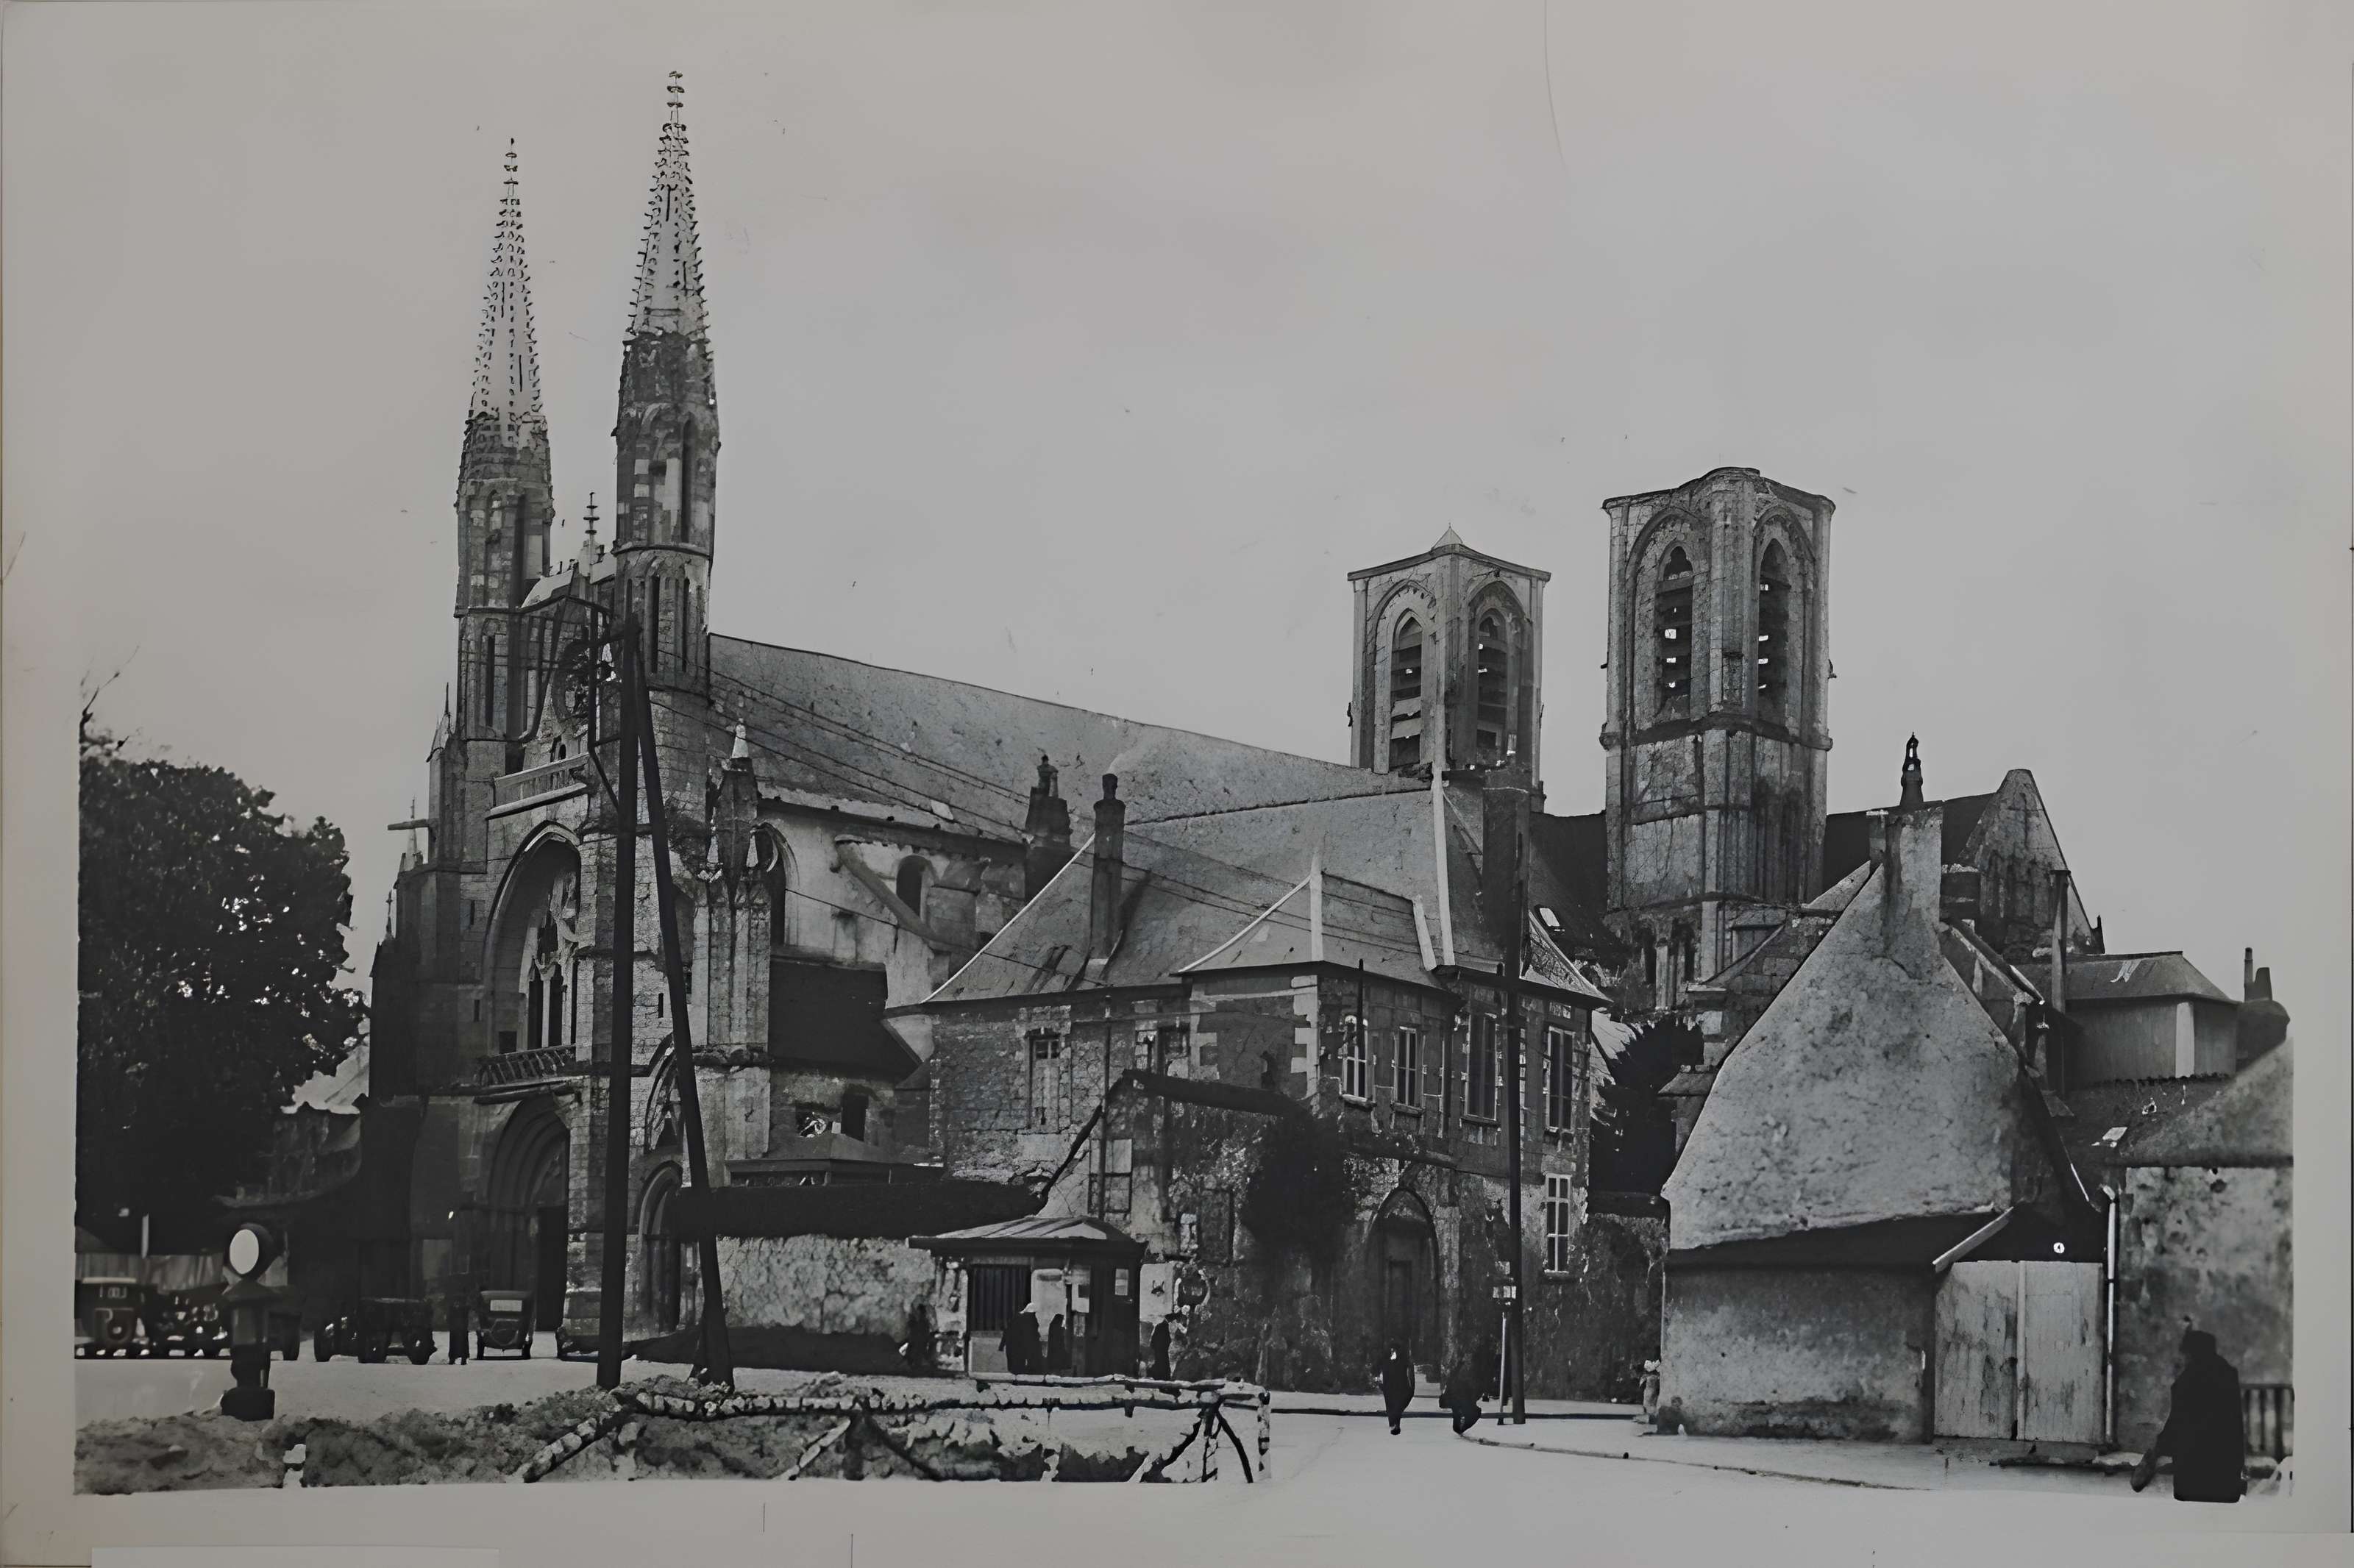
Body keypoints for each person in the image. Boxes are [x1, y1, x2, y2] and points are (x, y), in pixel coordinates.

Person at [2133, 1329, 2247, 1503]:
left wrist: (2157, 1450)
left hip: (2193, 1477)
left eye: (2185, 1352)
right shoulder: (2228, 1374)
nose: (2183, 1357)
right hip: (2226, 1477)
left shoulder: (2188, 1380)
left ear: (2192, 1352)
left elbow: (2178, 1422)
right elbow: (2235, 1426)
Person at [1443, 1350, 1485, 1434]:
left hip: (1463, 1394)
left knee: (1469, 1411)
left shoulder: (1465, 1371)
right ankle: (1461, 1425)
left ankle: (1461, 1425)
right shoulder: (1459, 1372)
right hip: (1461, 1394)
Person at [1379, 1339, 1415, 1435]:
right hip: (1390, 1387)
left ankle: (1395, 1424)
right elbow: (1382, 1371)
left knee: (1397, 1406)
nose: (1392, 1352)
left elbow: (1408, 1372)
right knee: (1391, 1406)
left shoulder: (1403, 1361)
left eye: (1394, 1351)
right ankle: (1393, 1423)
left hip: (1400, 1387)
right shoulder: (1386, 1360)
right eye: (1391, 1351)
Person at [444, 1279, 471, 1366]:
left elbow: (450, 1312)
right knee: (462, 1341)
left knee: (454, 1341)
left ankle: (453, 1358)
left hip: (456, 1324)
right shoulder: (465, 1299)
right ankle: (463, 1358)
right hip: (461, 1324)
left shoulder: (453, 1298)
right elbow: (467, 1311)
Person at [1150, 1317, 1172, 1381]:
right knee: (1165, 1362)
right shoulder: (1166, 1327)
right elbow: (1168, 1339)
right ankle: (1165, 1377)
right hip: (1164, 1349)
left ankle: (1158, 1376)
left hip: (1158, 1349)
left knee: (1159, 1361)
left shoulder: (1158, 1326)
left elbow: (1153, 1338)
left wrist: (1153, 1346)